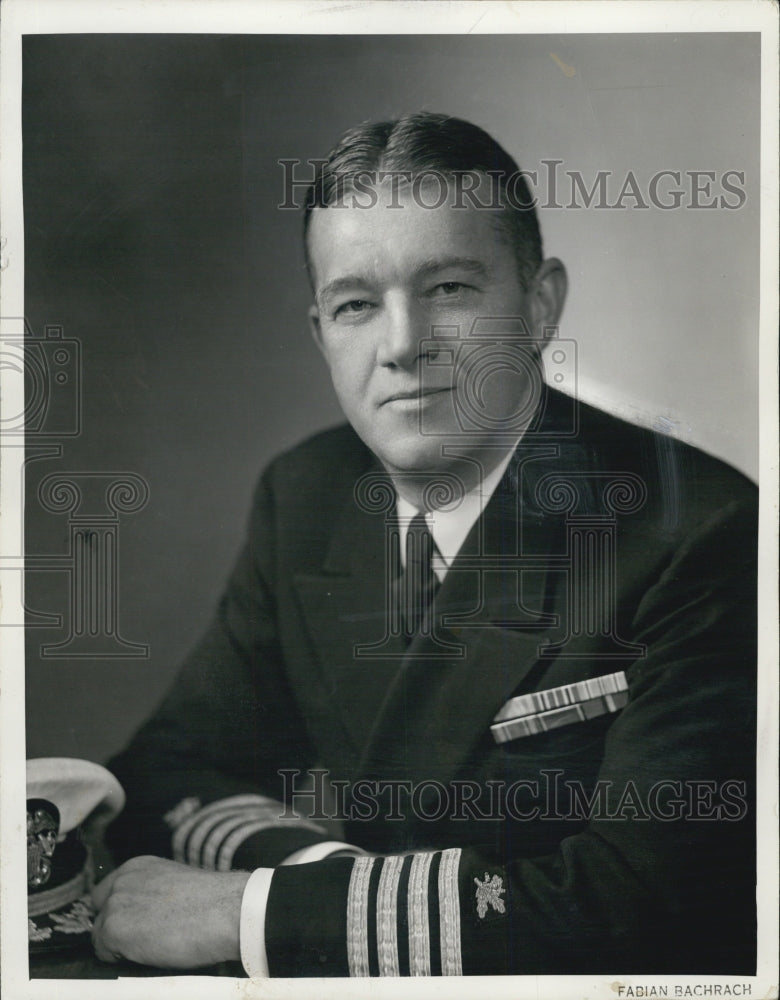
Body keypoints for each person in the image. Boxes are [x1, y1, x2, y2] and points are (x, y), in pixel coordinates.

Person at [91, 112, 757, 977]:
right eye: (357, 304)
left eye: (448, 289)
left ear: (541, 304)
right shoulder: (307, 495)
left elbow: (639, 904)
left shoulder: (701, 531)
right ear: (322, 334)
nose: (403, 346)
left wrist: (254, 913)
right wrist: (315, 871)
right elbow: (169, 769)